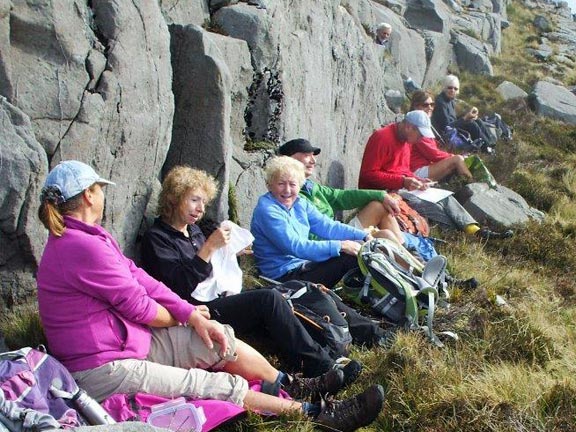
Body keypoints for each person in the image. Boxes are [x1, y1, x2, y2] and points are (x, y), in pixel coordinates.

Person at [36, 160, 385, 431]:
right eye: (99, 188)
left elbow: (140, 278)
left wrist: (191, 316)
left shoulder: (93, 238)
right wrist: (183, 312)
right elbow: (140, 305)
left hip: (130, 341)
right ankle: (316, 415)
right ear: (87, 196)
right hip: (102, 367)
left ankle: (291, 385)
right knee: (209, 383)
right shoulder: (80, 246)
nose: (102, 194)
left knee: (217, 337)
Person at [140, 166, 360, 380]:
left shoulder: (194, 230)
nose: (200, 209)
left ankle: (331, 351)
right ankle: (321, 365)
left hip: (219, 297)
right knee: (268, 298)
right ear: (174, 197)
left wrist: (229, 249)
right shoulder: (157, 239)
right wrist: (209, 249)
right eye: (194, 200)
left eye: (204, 203)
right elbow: (180, 286)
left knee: (290, 292)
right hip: (197, 312)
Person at [358, 111, 513, 240]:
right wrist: (403, 181)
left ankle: (475, 230)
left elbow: (403, 169)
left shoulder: (406, 141)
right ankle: (462, 236)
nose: (421, 138)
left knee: (445, 197)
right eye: (420, 134)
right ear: (408, 127)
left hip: (398, 188)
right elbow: (368, 175)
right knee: (434, 208)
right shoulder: (382, 137)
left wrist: (417, 180)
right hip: (382, 194)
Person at [251, 156, 371, 288]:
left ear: (300, 185)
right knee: (350, 257)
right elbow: (296, 246)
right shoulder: (267, 210)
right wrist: (341, 246)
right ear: (269, 185)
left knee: (363, 250)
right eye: (281, 184)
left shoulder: (300, 203)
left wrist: (363, 236)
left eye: (292, 184)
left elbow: (328, 227)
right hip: (285, 276)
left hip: (304, 266)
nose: (287, 190)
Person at [278, 138, 404, 245]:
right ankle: (412, 265)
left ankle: (409, 254)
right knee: (384, 236)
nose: (313, 161)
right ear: (289, 159)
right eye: (307, 156)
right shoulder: (289, 195)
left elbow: (340, 196)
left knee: (380, 205)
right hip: (330, 244)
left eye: (313, 156)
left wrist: (381, 195)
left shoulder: (309, 186)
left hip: (336, 233)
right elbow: (310, 237)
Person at [409, 90, 473, 182]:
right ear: (415, 106)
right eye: (425, 105)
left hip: (424, 167)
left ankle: (465, 186)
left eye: (432, 104)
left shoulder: (422, 122)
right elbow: (433, 154)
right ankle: (473, 185)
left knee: (455, 164)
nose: (430, 108)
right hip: (417, 170)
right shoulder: (416, 127)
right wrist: (453, 156)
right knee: (457, 160)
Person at [431, 74, 493, 144]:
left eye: (455, 89)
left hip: (453, 128)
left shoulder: (450, 100)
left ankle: (491, 143)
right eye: (450, 88)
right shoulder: (440, 103)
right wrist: (465, 118)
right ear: (444, 87)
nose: (452, 90)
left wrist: (468, 115)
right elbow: (446, 127)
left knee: (477, 120)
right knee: (471, 124)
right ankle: (486, 148)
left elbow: (452, 119)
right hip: (447, 134)